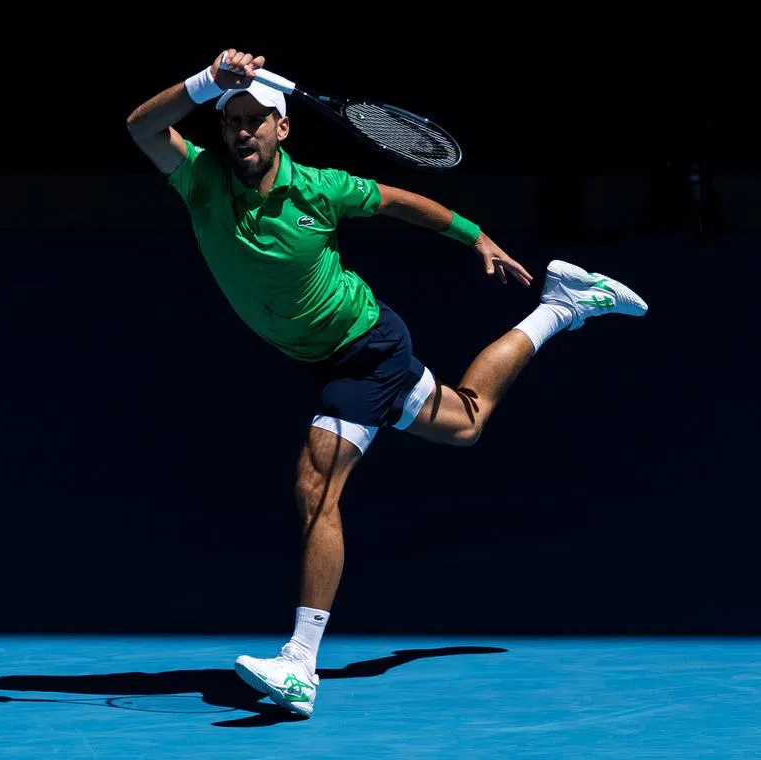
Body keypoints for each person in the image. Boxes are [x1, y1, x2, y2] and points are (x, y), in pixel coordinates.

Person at [125, 49, 648, 718]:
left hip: (365, 350)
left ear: (283, 129)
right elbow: (142, 126)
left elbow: (399, 202)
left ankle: (298, 665)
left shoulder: (322, 188)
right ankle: (566, 305)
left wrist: (475, 235)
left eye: (257, 120)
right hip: (329, 357)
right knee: (467, 420)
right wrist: (206, 83)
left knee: (316, 483)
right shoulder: (201, 179)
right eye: (232, 122)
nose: (243, 132)